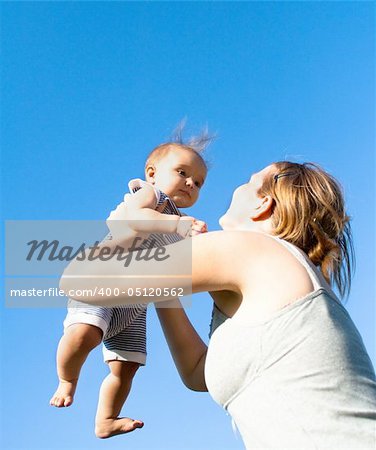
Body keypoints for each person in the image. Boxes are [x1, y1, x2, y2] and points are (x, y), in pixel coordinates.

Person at [60, 161, 376, 449]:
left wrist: (125, 224)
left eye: (249, 182)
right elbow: (198, 372)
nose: (235, 187)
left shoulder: (251, 248)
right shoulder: (272, 276)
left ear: (262, 204)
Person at [50, 137, 208, 439]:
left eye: (199, 182)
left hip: (135, 303)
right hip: (104, 279)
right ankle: (67, 380)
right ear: (152, 173)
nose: (190, 183)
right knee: (84, 334)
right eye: (182, 172)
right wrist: (177, 226)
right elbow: (136, 219)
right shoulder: (151, 195)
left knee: (127, 367)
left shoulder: (181, 221)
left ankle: (106, 419)